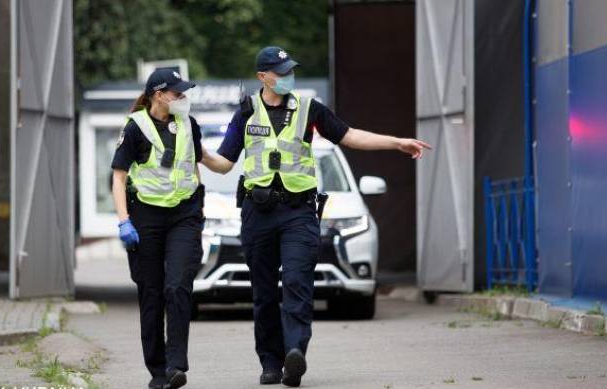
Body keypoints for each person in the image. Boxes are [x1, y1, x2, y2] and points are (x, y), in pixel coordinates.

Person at [201, 46, 432, 387]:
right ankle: (269, 361)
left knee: (297, 282)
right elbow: (224, 162)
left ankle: (295, 352)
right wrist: (200, 154)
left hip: (298, 212)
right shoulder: (246, 113)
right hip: (257, 213)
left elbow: (349, 136)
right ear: (262, 77)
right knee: (264, 292)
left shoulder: (309, 109)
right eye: (280, 72)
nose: (287, 77)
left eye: (289, 71)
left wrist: (395, 142)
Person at [111, 68, 205, 389]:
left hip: (183, 215)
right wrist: (124, 220)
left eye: (183, 93)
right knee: (151, 295)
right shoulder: (135, 128)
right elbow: (119, 177)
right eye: (177, 93)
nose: (183, 98)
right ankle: (158, 372)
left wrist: (199, 206)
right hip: (146, 218)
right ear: (158, 95)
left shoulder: (189, 125)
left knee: (177, 286)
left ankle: (176, 366)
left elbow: (195, 165)